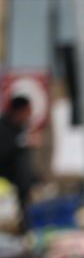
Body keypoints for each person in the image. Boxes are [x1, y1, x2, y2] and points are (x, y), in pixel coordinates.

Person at [0, 96, 36, 227]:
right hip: (5, 191)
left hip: (21, 191)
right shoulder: (3, 128)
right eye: (28, 111)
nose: (29, 115)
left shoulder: (20, 129)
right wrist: (20, 144)